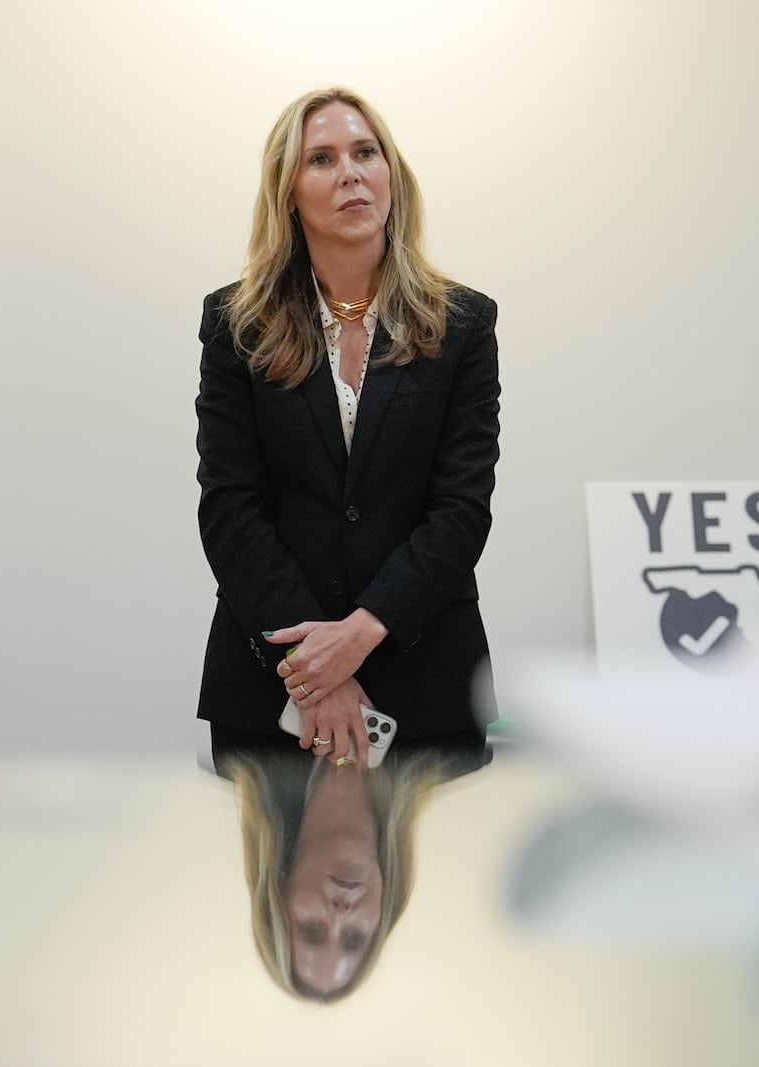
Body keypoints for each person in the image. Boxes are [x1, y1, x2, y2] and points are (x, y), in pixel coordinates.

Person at [195, 87, 500, 768]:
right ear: (289, 194)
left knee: (439, 878)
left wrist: (358, 635)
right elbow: (230, 509)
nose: (352, 173)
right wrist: (313, 664)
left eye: (366, 152)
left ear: (392, 172)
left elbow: (460, 509)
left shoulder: (465, 326)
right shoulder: (236, 326)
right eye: (323, 159)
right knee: (282, 878)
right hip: (274, 686)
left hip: (428, 683)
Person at [217, 747, 468, 1001]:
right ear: (381, 914)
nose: (340, 914)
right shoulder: (454, 755)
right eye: (354, 936)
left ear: (280, 885)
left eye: (312, 928)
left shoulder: (238, 751)